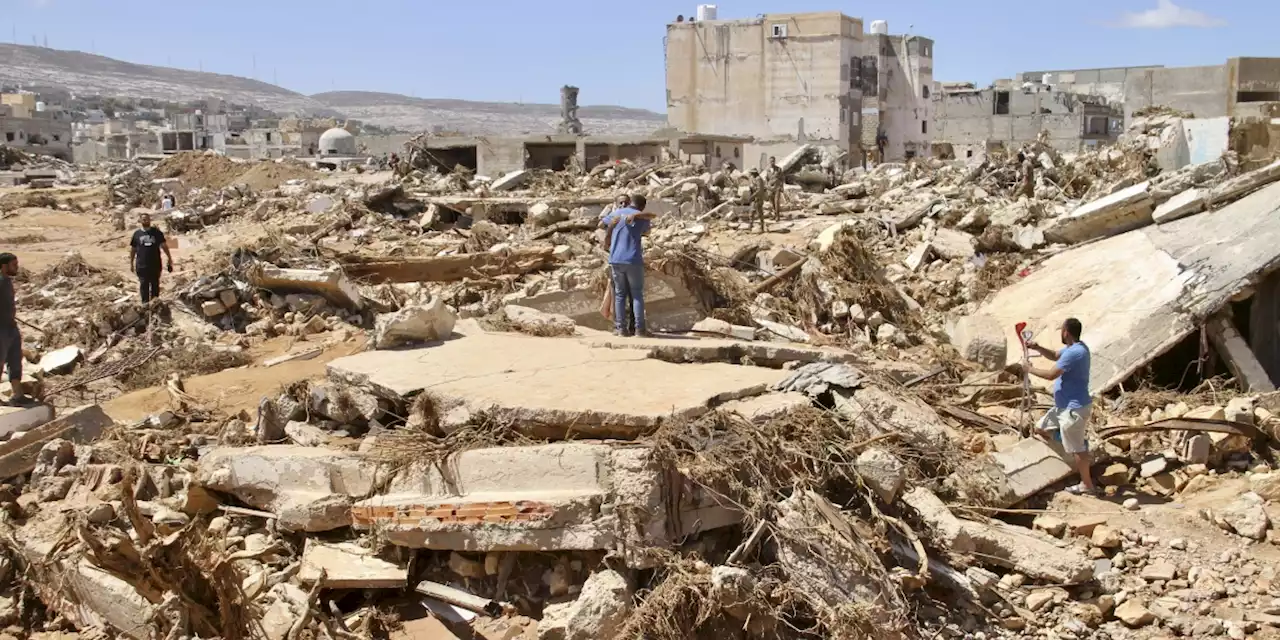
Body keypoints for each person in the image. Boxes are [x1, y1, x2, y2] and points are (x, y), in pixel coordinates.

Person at [1006, 317, 1096, 495]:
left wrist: (1028, 369)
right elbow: (1055, 355)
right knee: (1041, 429)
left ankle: (1087, 485)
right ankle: (1072, 442)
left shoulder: (1075, 353)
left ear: (1066, 332)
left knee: (1077, 448)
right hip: (1063, 408)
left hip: (1073, 410)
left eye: (1061, 331)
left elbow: (1050, 375)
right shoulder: (1075, 348)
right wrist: (1037, 348)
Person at [602, 194, 655, 337]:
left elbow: (603, 222)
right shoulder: (642, 216)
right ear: (642, 206)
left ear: (630, 202)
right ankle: (639, 329)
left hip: (615, 259)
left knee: (619, 294)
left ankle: (621, 329)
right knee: (637, 294)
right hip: (632, 259)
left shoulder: (616, 214)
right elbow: (647, 231)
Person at [0, 254, 31, 406]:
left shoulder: (7, 281)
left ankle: (17, 394)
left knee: (15, 360)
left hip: (10, 327)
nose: (17, 267)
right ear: (4, 266)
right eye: (14, 265)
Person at [130, 213, 173, 304]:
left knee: (155, 285)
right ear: (140, 221)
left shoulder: (156, 233)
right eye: (143, 219)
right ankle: (145, 305)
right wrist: (131, 263)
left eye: (147, 219)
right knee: (144, 285)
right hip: (141, 265)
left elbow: (164, 246)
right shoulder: (137, 234)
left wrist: (169, 258)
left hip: (155, 264)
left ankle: (155, 305)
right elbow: (133, 249)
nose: (145, 220)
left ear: (150, 220)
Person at [747, 168, 767, 233]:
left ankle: (762, 227)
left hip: (758, 198)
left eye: (751, 173)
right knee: (751, 212)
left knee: (759, 213)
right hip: (753, 198)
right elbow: (751, 187)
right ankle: (750, 225)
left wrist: (752, 196)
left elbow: (759, 190)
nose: (750, 174)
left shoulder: (759, 179)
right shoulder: (752, 179)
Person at [765, 156, 784, 221]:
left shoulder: (778, 169)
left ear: (775, 161)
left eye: (773, 161)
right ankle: (774, 214)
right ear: (769, 162)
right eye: (771, 161)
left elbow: (782, 179)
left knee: (776, 202)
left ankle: (777, 216)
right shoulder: (768, 170)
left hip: (777, 188)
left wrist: (782, 187)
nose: (772, 162)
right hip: (770, 188)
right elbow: (767, 179)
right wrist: (767, 187)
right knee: (772, 202)